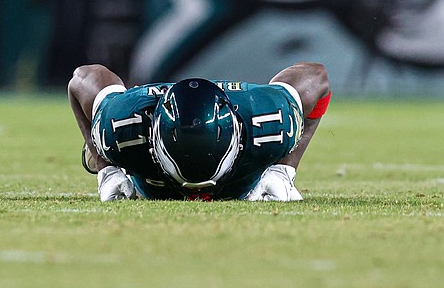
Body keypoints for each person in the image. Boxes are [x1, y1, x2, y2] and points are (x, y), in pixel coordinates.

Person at [68, 62, 330, 201]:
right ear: (153, 139)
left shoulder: (268, 119)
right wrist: (105, 168)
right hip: (140, 152)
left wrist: (284, 169)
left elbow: (318, 77)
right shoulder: (123, 126)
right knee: (103, 144)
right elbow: (80, 80)